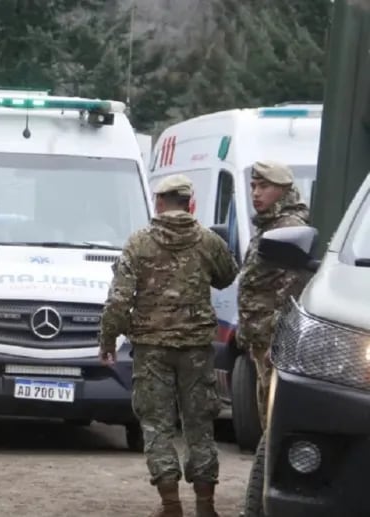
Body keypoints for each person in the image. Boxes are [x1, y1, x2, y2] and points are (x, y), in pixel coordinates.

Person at [98, 174, 238, 517]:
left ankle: (170, 505)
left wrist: (107, 339)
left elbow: (119, 299)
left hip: (151, 350)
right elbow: (227, 276)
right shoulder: (208, 240)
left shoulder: (138, 243)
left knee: (156, 425)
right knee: (200, 425)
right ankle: (206, 505)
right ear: (190, 204)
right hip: (196, 349)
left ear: (159, 203)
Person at [237, 160, 312, 429]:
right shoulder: (269, 226)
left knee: (274, 417)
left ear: (283, 189)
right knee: (266, 415)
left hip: (274, 340)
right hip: (262, 336)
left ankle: (269, 469)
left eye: (264, 186)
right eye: (254, 186)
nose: (256, 193)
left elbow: (293, 287)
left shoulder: (287, 227)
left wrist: (277, 339)